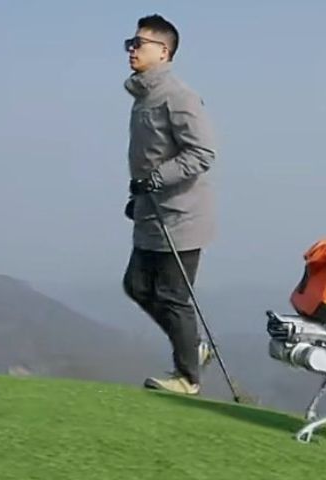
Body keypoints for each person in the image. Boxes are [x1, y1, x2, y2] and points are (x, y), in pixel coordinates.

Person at [121, 14, 217, 395]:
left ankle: (188, 378)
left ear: (163, 52)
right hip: (151, 211)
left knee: (173, 297)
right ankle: (194, 348)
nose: (131, 50)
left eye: (138, 43)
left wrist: (156, 180)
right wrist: (138, 195)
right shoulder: (145, 96)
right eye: (130, 43)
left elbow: (202, 153)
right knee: (137, 286)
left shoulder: (178, 96)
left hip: (182, 216)